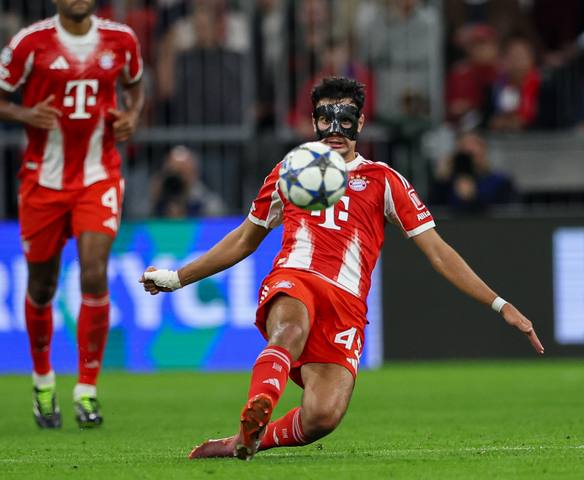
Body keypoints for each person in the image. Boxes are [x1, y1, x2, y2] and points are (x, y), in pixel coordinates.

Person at [141, 77, 543, 460]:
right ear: (313, 121)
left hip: (346, 304)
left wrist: (499, 304)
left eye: (345, 118)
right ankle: (259, 403)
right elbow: (245, 238)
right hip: (296, 277)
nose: (335, 129)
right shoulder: (290, 170)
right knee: (289, 330)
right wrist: (177, 278)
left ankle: (245, 441)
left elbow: (438, 252)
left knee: (322, 416)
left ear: (361, 122)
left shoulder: (384, 180)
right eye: (325, 118)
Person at [0, 0, 144, 428]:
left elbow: (135, 85)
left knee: (94, 272)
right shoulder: (30, 44)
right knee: (41, 285)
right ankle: (43, 381)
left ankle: (86, 389)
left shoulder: (121, 40)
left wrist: (132, 115)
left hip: (99, 176)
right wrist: (25, 113)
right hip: (42, 182)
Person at [433, 131, 517, 210]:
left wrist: (472, 198)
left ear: (484, 151)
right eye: (464, 149)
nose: (469, 151)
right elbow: (434, 209)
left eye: (473, 153)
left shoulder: (500, 181)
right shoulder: (448, 182)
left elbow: (508, 212)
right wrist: (442, 181)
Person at [150, 145, 226, 218]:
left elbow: (217, 222)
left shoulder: (207, 202)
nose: (177, 178)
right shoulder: (157, 195)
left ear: (194, 174)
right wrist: (153, 198)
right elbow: (143, 220)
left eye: (182, 172)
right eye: (172, 172)